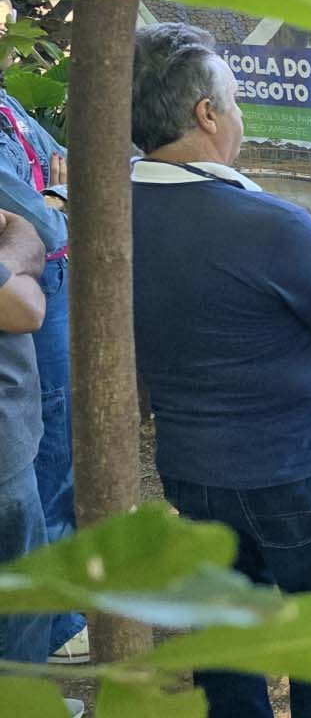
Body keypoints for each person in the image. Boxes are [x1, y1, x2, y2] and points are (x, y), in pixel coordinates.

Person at [130, 23, 311, 718]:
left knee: (225, 644)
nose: (240, 116)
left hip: (192, 468)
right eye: (235, 101)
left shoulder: (109, 218)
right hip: (305, 465)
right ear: (206, 115)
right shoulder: (269, 222)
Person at [0, 85, 85, 664]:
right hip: (32, 295)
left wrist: (50, 199)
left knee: (57, 431)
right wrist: (51, 206)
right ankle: (54, 625)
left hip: (46, 283)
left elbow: (65, 168)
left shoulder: (7, 102)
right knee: (47, 445)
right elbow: (41, 223)